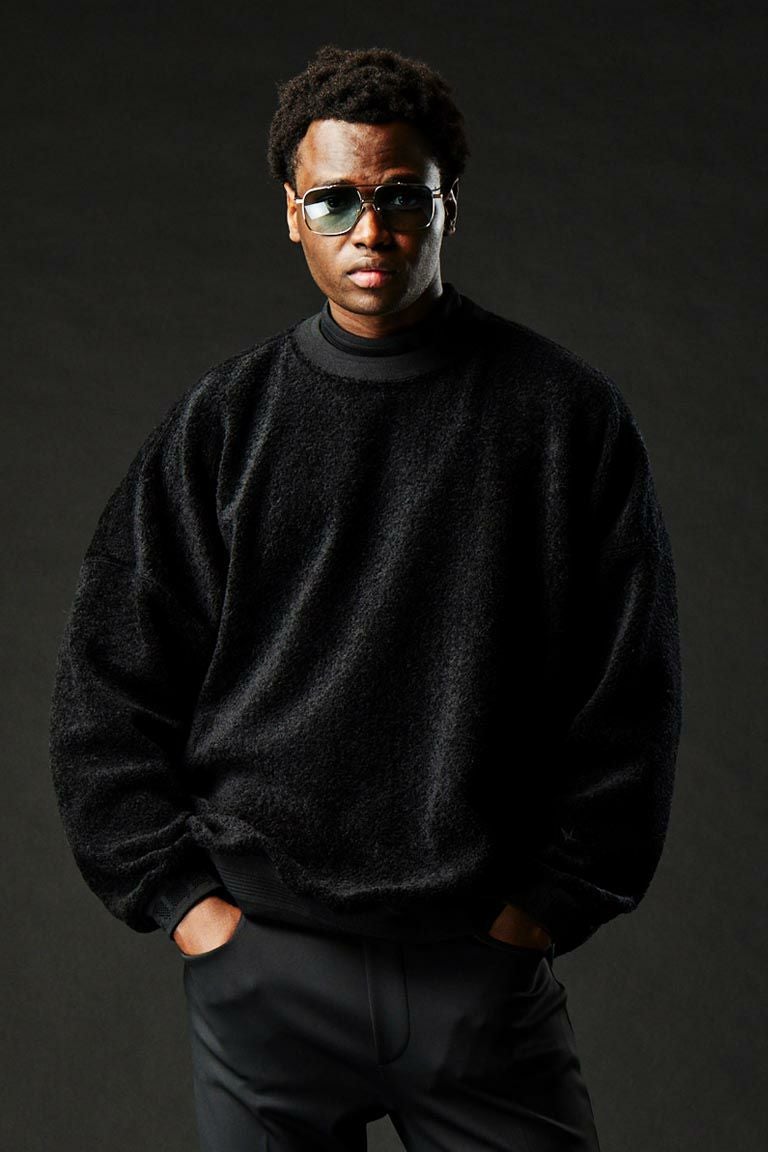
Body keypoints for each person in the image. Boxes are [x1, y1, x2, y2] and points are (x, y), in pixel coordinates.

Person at [49, 43, 682, 1152]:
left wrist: (543, 911)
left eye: (401, 198)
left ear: (448, 207)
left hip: (478, 975)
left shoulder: (563, 418)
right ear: (292, 216)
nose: (370, 231)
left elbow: (630, 691)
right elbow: (107, 682)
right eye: (335, 200)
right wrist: (190, 911)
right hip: (265, 978)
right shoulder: (224, 425)